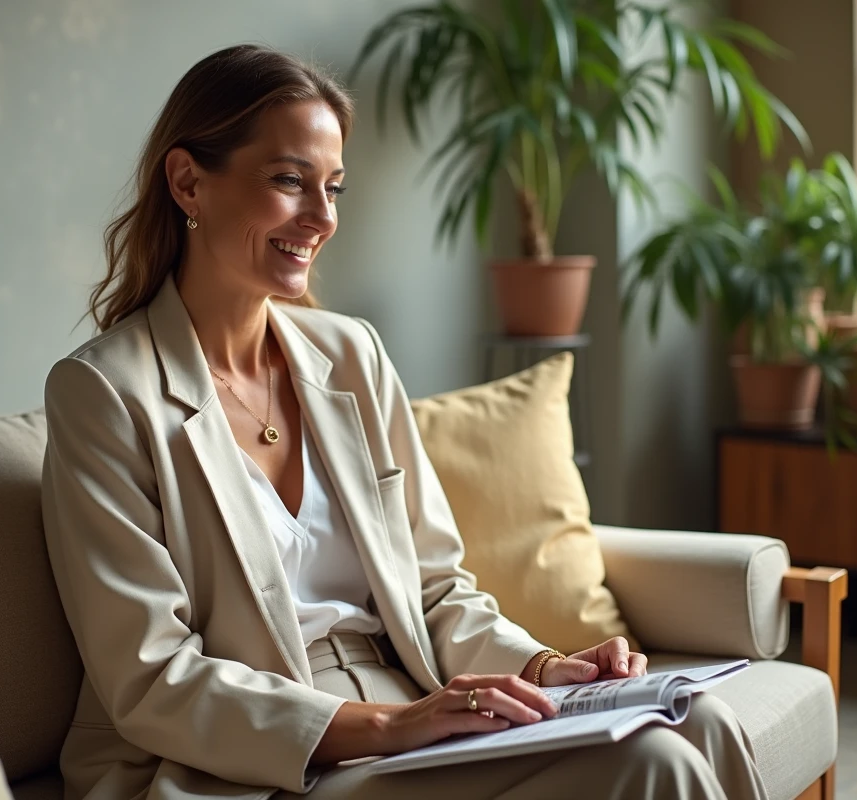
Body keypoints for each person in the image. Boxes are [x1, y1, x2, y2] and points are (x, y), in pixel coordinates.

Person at [40, 43, 768, 800]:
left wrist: (547, 668)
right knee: (656, 765)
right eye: (289, 181)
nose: (322, 218)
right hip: (263, 756)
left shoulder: (350, 354)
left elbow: (434, 589)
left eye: (333, 188)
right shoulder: (104, 393)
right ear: (188, 181)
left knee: (699, 721)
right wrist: (392, 725)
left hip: (410, 707)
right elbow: (153, 677)